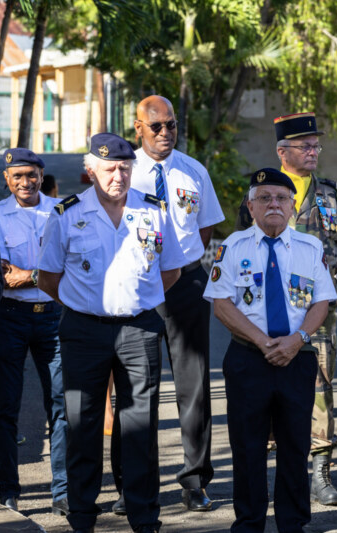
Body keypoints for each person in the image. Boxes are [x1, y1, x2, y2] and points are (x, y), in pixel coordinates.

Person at [37, 133, 187, 533]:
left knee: (140, 428)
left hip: (139, 327)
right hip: (84, 330)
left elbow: (170, 270)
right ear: (91, 171)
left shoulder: (153, 211)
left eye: (124, 167)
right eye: (108, 168)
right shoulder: (67, 213)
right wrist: (82, 303)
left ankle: (143, 516)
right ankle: (82, 515)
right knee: (82, 424)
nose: (118, 175)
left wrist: (138, 298)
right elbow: (49, 276)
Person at [204, 167, 336, 532]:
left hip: (297, 358)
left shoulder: (311, 248)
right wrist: (264, 343)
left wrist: (297, 341)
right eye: (264, 198)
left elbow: (322, 303)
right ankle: (249, 523)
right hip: (249, 359)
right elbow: (222, 304)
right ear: (251, 206)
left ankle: (292, 523)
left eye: (281, 198)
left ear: (293, 206)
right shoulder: (232, 247)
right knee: (248, 448)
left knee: (295, 446)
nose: (273, 204)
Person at [239, 112, 337, 504]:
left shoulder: (330, 194)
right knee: (268, 388)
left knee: (320, 389)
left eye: (316, 145)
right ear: (281, 150)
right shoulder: (262, 192)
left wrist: (334, 282)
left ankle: (320, 471)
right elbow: (244, 246)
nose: (313, 151)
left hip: (319, 314)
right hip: (268, 315)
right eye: (305, 145)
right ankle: (273, 472)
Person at [121, 94, 225, 513]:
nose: (166, 133)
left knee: (194, 386)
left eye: (172, 125)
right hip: (137, 287)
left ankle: (195, 480)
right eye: (157, 126)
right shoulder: (122, 172)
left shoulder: (193, 171)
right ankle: (133, 485)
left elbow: (204, 230)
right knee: (135, 389)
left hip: (185, 283)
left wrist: (177, 267)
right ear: (139, 130)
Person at [0, 148, 68, 515]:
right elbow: (1, 274)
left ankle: (63, 491)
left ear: (42, 176)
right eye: (17, 176)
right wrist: (43, 274)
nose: (25, 182)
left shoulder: (62, 211)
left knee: (61, 405)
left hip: (54, 317)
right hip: (9, 317)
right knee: (4, 407)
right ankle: (7, 490)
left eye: (32, 175)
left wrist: (27, 275)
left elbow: (71, 264)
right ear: (7, 180)